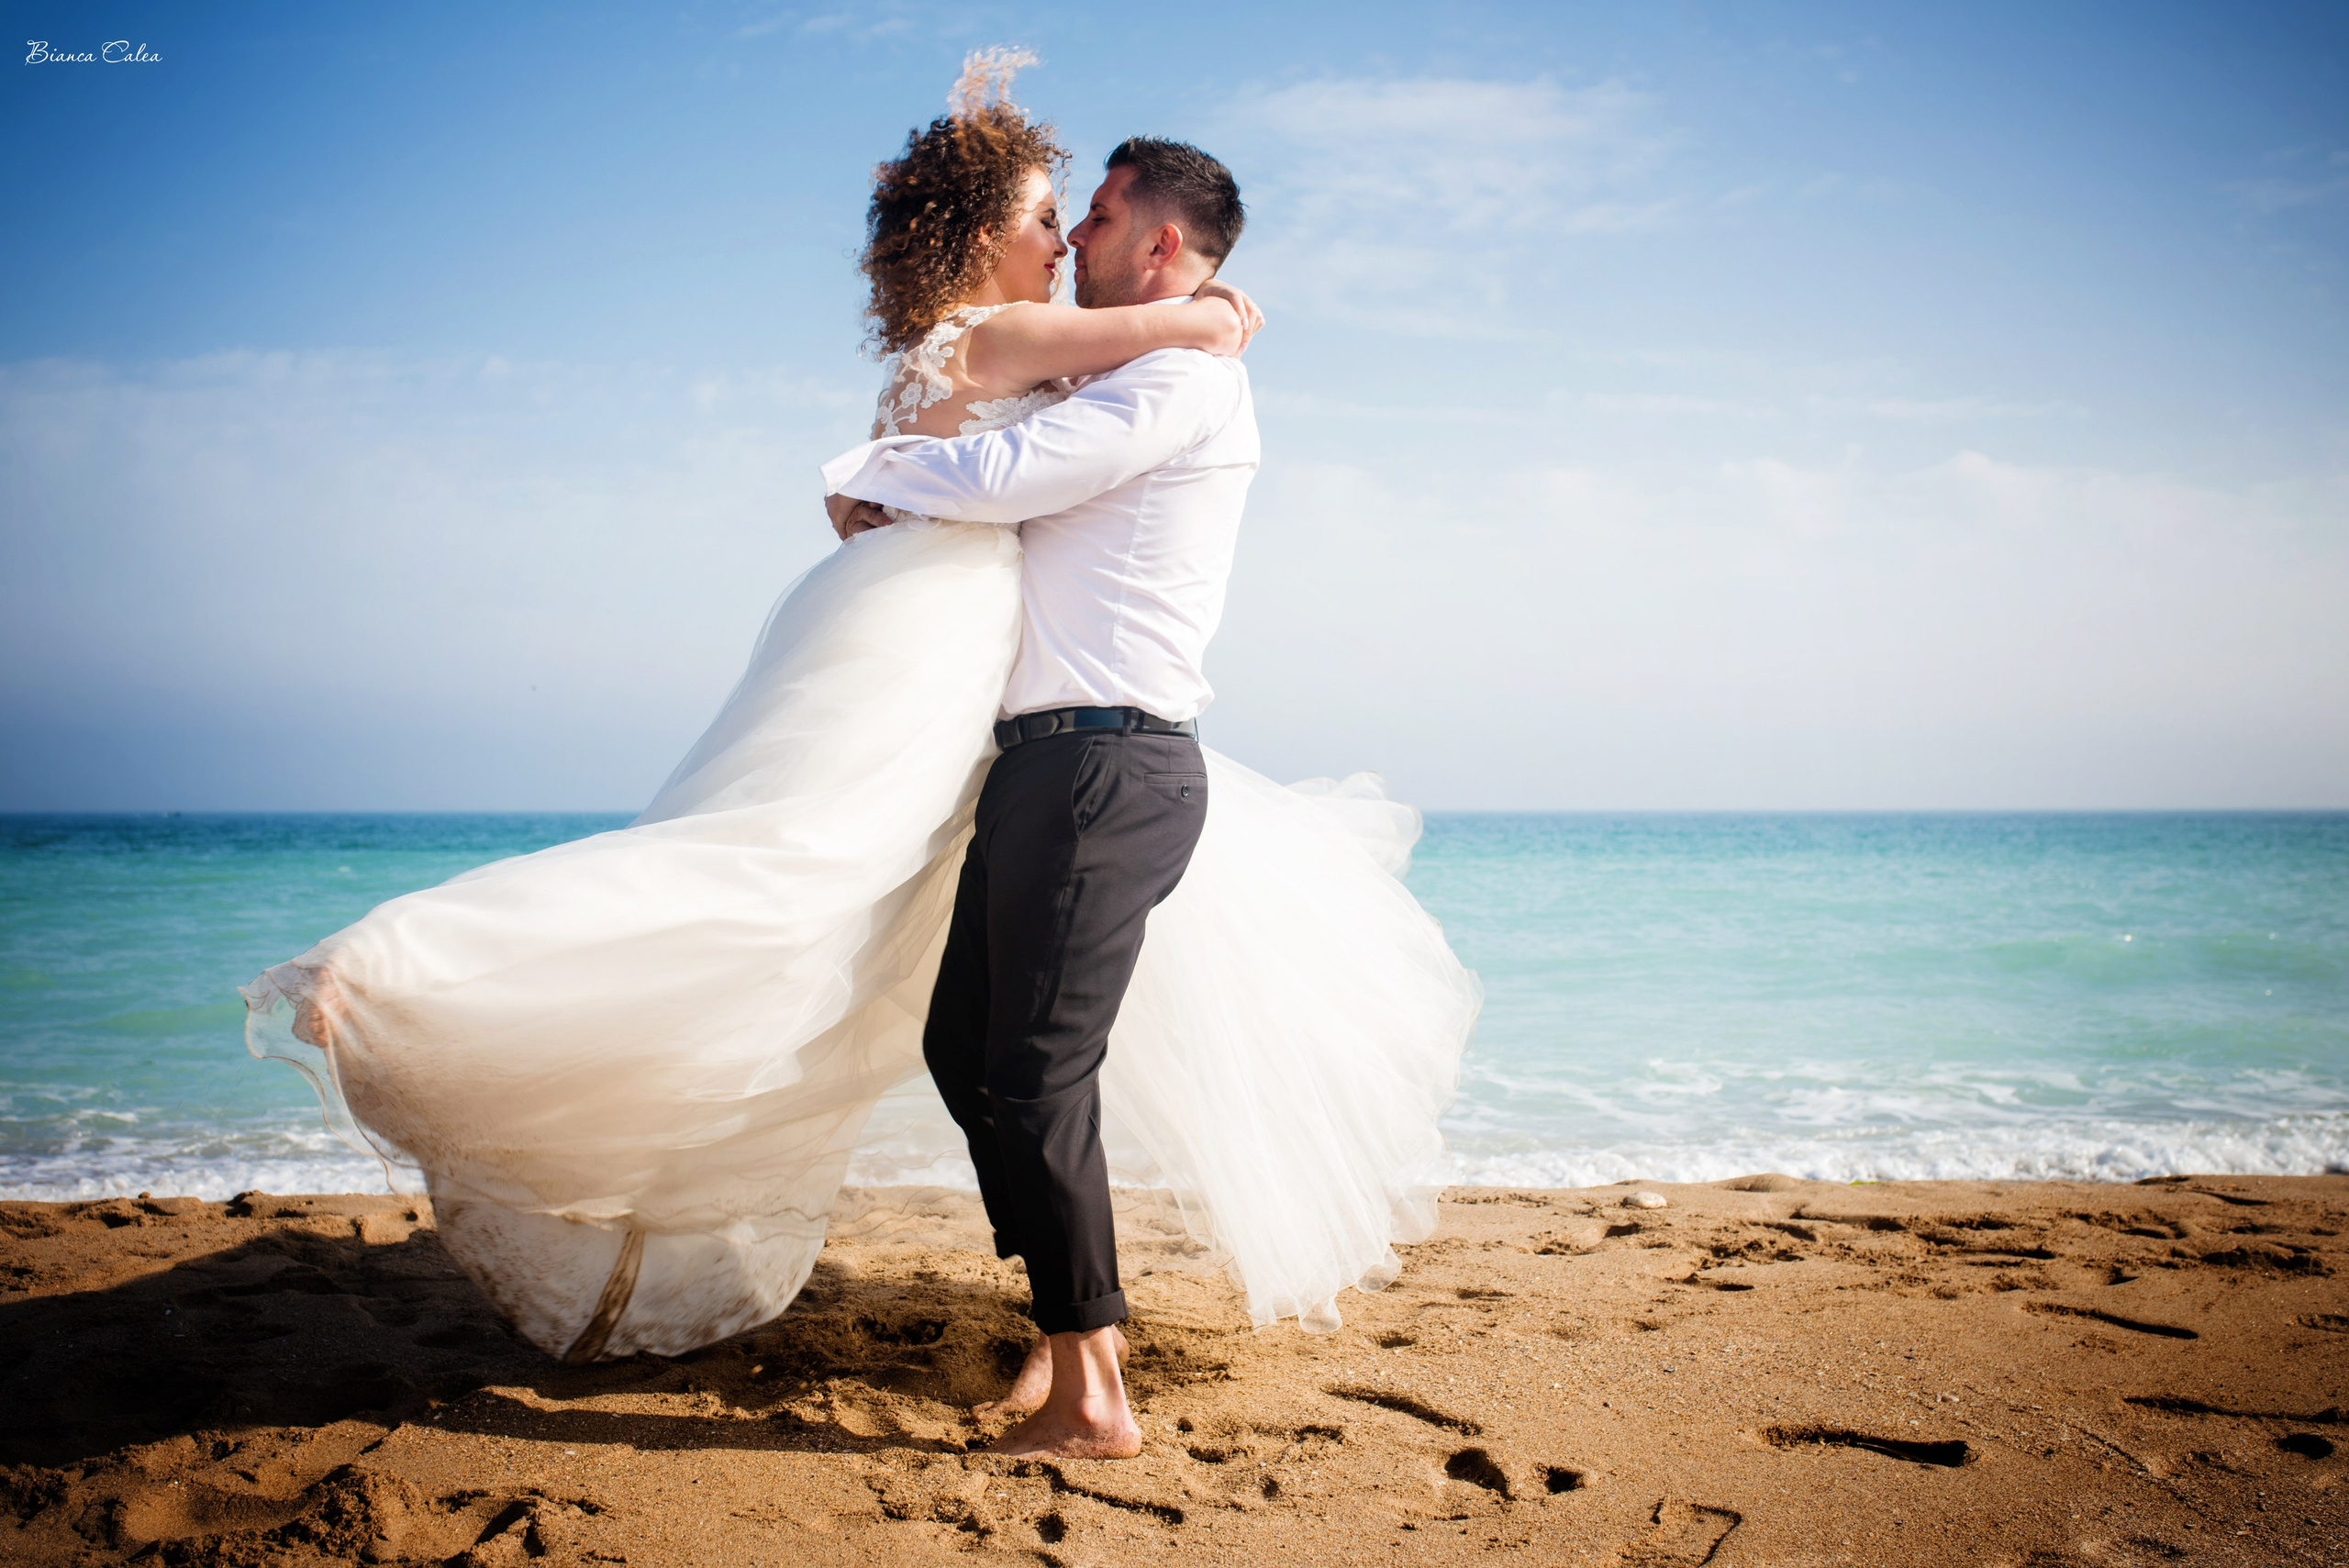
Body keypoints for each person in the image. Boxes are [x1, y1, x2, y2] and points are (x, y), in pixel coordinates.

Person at [243, 51, 1478, 1460]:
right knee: (955, 1034)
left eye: (1093, 214)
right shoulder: (1078, 346)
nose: (1069, 232)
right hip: (1006, 726)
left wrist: (878, 466)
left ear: (1161, 242)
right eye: (1050, 209)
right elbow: (1006, 417)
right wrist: (1175, 325)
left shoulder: (1176, 379)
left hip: (1096, 752)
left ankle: (1093, 1387)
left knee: (998, 1042)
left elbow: (1013, 478)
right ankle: (1072, 1333)